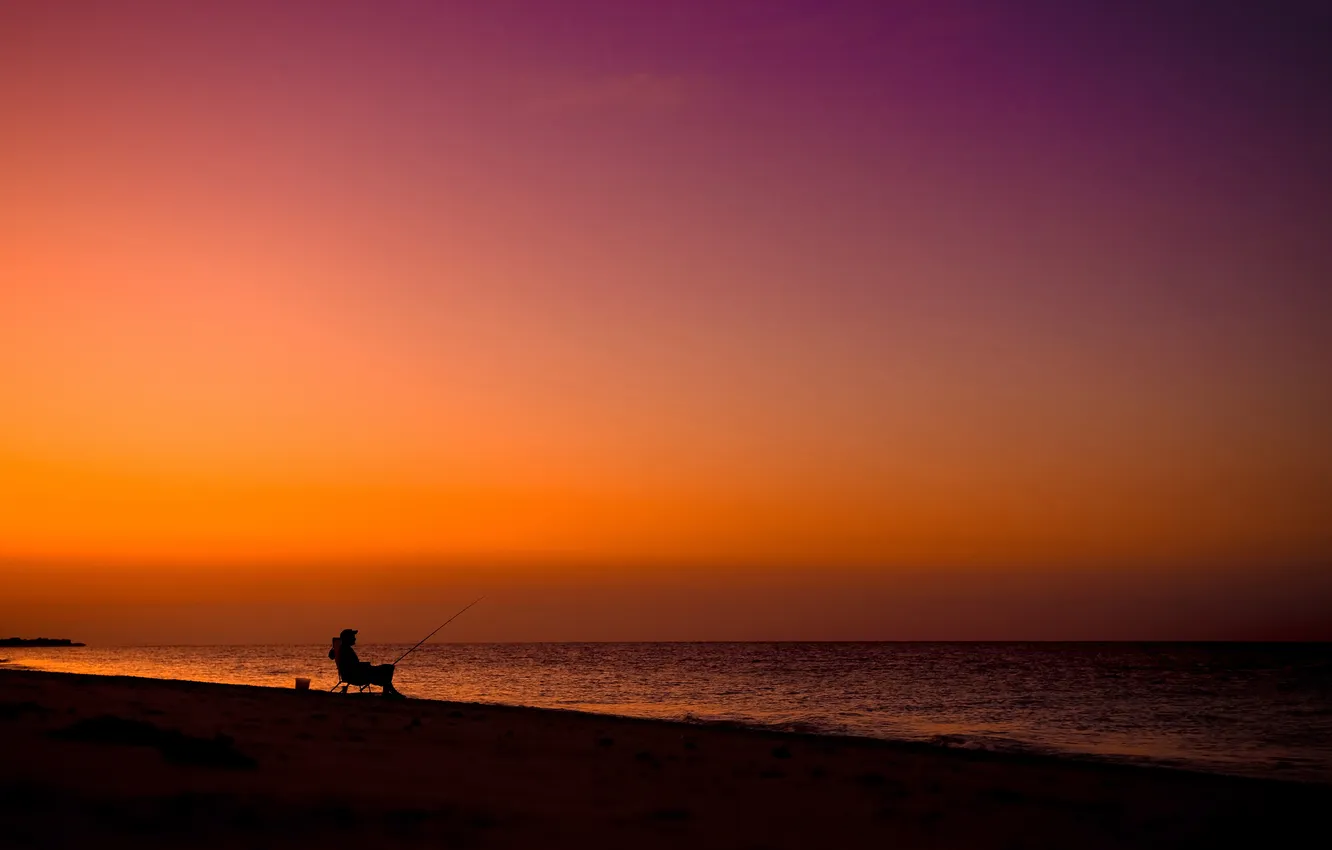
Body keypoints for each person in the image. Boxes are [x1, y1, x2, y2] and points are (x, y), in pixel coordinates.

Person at [333, 628, 405, 698]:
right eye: (353, 637)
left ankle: (388, 691)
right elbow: (351, 667)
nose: (355, 638)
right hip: (357, 676)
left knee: (387, 668)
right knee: (387, 668)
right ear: (347, 638)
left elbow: (353, 666)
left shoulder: (344, 649)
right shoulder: (345, 650)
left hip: (358, 673)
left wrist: (366, 666)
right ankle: (388, 692)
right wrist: (366, 666)